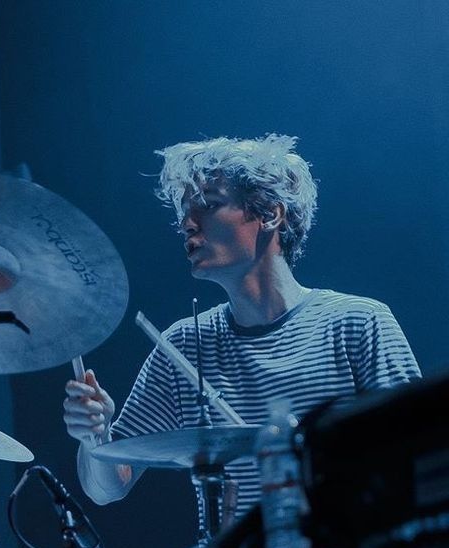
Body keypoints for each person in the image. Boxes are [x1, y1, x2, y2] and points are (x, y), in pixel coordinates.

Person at [63, 134, 421, 515]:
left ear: (270, 214)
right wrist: (94, 436)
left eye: (209, 205)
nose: (187, 223)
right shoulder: (183, 345)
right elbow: (107, 489)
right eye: (184, 211)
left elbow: (417, 450)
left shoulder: (357, 322)